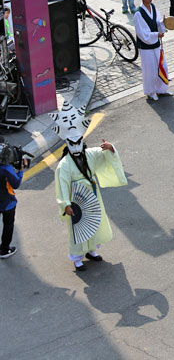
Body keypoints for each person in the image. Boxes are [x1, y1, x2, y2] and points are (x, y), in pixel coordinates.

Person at [51, 102, 127, 273]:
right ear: (67, 143)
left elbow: (104, 155)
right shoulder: (64, 165)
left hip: (91, 195)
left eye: (78, 141)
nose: (76, 145)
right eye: (72, 142)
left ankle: (91, 250)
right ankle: (77, 257)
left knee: (93, 222)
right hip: (76, 199)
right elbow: (62, 186)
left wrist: (110, 148)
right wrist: (66, 204)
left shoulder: (90, 153)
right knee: (78, 227)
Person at [132, 0, 173, 101]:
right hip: (146, 47)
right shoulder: (138, 14)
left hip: (156, 44)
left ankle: (162, 89)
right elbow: (142, 34)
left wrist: (163, 23)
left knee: (162, 66)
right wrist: (156, 35)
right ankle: (150, 92)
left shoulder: (153, 7)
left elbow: (157, 22)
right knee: (150, 70)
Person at [0, 143, 28, 260]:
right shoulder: (6, 169)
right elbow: (15, 184)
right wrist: (21, 170)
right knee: (8, 225)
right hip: (7, 202)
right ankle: (4, 250)